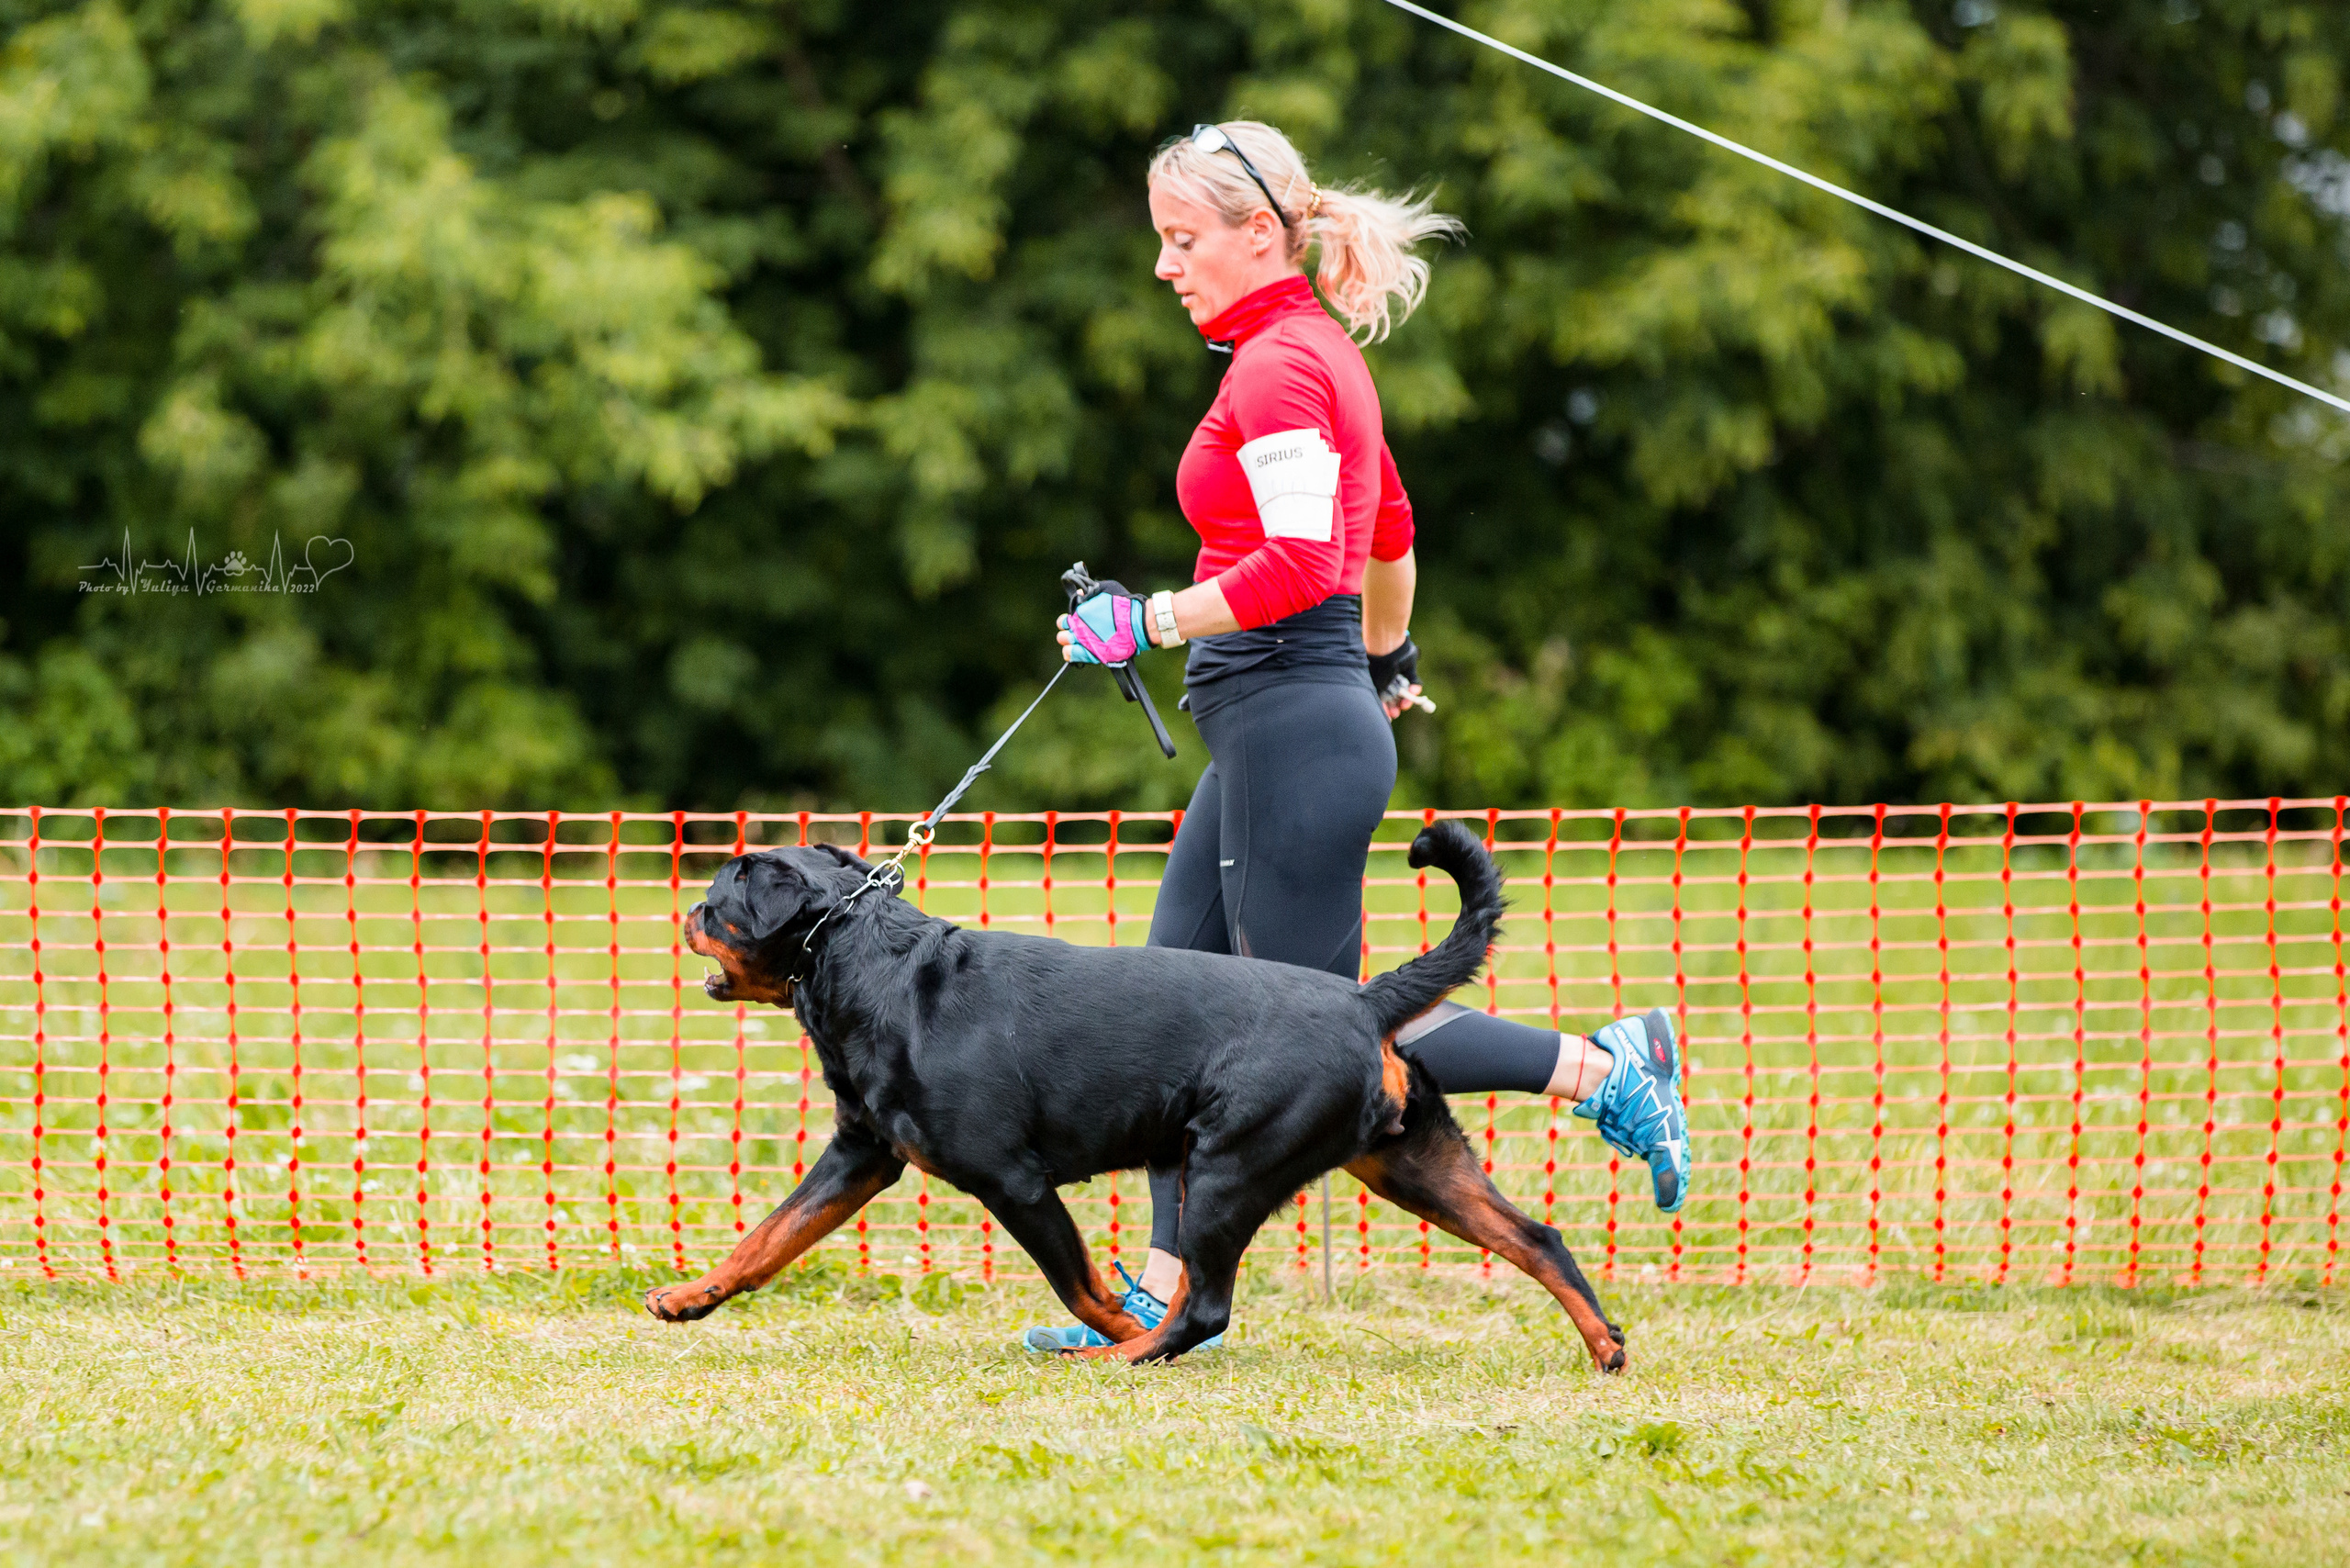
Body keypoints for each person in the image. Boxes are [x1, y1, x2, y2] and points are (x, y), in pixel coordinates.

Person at [1024, 122, 1688, 1353]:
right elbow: (1391, 542)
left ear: (1258, 234)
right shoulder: (1307, 352)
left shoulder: (1279, 367)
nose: (1165, 266)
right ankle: (1168, 1298)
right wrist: (1386, 664)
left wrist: (1153, 617)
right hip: (1287, 728)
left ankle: (1608, 1066)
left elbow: (1300, 562)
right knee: (1179, 1009)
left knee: (1326, 1027)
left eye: (1183, 240)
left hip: (1290, 729)